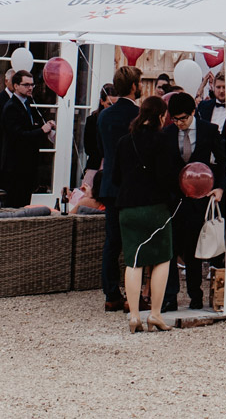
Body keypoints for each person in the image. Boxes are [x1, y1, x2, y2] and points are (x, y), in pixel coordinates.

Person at [113, 95, 182, 333]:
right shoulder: (164, 141)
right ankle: (155, 314)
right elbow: (168, 178)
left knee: (133, 261)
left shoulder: (124, 141)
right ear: (162, 116)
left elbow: (115, 178)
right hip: (155, 207)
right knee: (162, 258)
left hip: (128, 207)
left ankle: (134, 316)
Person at [164, 90, 223, 311]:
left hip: (201, 199)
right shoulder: (167, 132)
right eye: (175, 119)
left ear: (193, 113)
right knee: (170, 248)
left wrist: (219, 188)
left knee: (194, 249)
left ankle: (195, 294)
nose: (179, 123)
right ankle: (170, 295)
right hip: (174, 199)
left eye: (183, 118)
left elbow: (223, 160)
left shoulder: (209, 130)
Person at [97, 66, 141, 313]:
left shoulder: (104, 115)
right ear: (134, 86)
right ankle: (133, 296)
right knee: (135, 242)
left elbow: (101, 149)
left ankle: (111, 293)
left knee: (112, 242)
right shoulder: (138, 114)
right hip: (132, 185)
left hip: (109, 184)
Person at [0, 66, 56, 209]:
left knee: (25, 203)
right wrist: (41, 131)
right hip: (15, 165)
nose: (30, 88)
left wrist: (45, 125)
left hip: (26, 164)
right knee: (15, 205)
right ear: (16, 86)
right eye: (26, 85)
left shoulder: (27, 103)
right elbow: (18, 136)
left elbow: (29, 127)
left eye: (32, 84)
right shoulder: (12, 106)